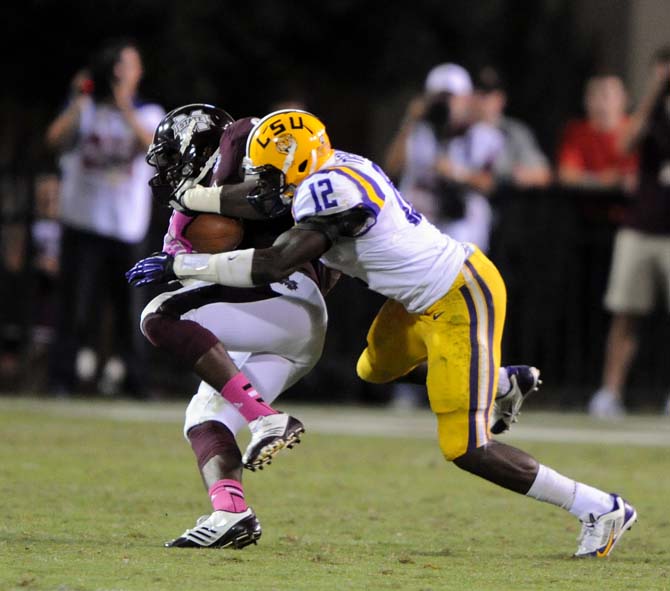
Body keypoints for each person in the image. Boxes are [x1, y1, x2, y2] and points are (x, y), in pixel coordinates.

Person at [128, 109, 636, 557]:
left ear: (300, 167)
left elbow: (274, 263)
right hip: (415, 302)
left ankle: (598, 506)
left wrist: (193, 267)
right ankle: (500, 382)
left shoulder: (331, 193)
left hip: (460, 294)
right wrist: (200, 192)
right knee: (372, 367)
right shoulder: (326, 163)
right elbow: (266, 198)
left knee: (467, 448)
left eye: (270, 174)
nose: (261, 184)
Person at [133, 103, 339, 548]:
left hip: (284, 298)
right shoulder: (213, 185)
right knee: (204, 417)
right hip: (284, 328)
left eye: (172, 158)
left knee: (160, 314)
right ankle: (232, 513)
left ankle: (266, 419)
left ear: (197, 144)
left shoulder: (242, 144)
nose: (168, 173)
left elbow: (267, 200)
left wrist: (189, 237)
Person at [45, 38, 164, 396]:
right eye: (120, 67)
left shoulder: (147, 112)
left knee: (132, 312)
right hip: (82, 222)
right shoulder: (87, 110)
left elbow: (154, 149)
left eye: (129, 67)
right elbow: (54, 140)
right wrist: (80, 97)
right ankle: (61, 379)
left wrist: (124, 106)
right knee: (73, 307)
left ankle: (135, 381)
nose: (124, 74)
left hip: (126, 227)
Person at [589, 49, 670, 418]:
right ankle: (609, 392)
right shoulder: (649, 111)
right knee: (625, 313)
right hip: (641, 226)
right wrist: (656, 90)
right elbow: (624, 144)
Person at [385, 63, 502, 253]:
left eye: (451, 98)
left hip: (459, 224)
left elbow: (489, 183)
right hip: (418, 220)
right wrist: (409, 120)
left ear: (466, 98)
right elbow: (392, 167)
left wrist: (456, 173)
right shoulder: (418, 130)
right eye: (440, 98)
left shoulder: (481, 134)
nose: (445, 104)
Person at [474, 66, 551, 190]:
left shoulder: (515, 132)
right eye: (479, 93)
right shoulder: (461, 130)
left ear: (501, 99)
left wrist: (515, 177)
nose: (484, 100)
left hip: (505, 202)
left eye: (490, 94)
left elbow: (543, 175)